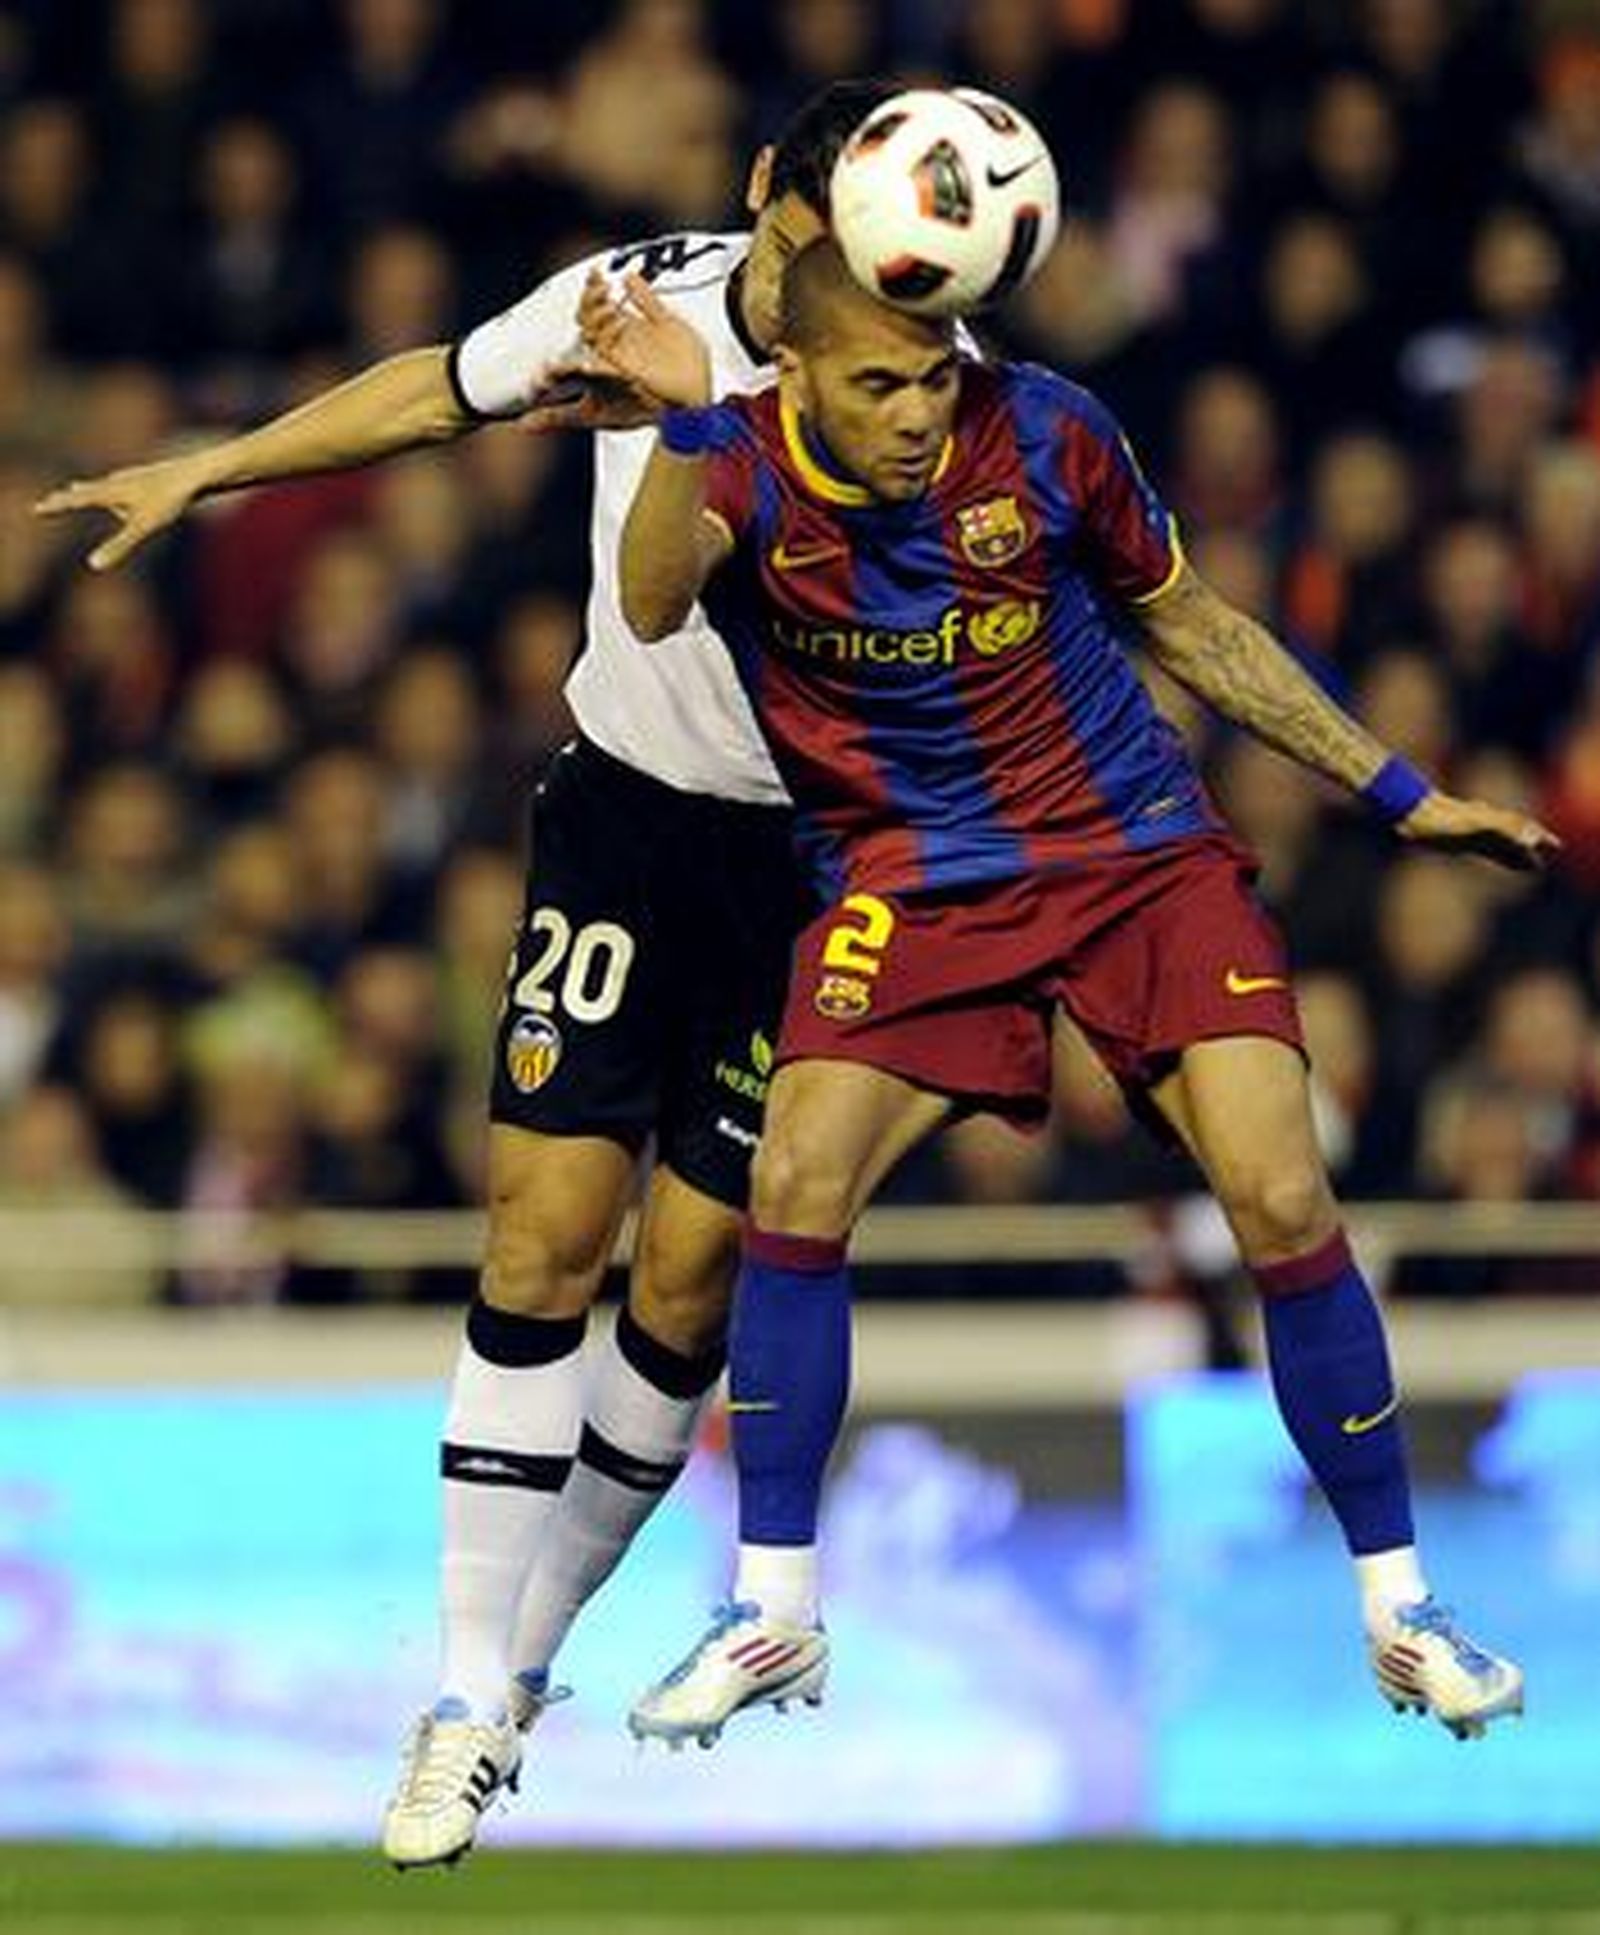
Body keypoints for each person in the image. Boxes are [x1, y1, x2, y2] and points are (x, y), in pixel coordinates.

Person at [34, 80, 894, 1870]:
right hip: (627, 828)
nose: (837, 283)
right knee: (538, 1244)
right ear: (768, 206)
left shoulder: (906, 394)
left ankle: (521, 1672)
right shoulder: (636, 285)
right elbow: (435, 386)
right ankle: (459, 1700)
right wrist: (213, 463)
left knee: (690, 1276)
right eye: (815, 243)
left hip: (813, 861)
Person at [594, 236, 1554, 1749]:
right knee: (795, 1171)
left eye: (931, 376)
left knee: (1287, 1198)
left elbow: (1198, 628)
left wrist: (1400, 793)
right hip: (912, 876)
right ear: (797, 377)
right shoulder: (740, 456)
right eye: (878, 385)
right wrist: (686, 419)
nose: (916, 412)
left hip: (1137, 857)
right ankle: (772, 1607)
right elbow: (651, 604)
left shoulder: (1048, 429)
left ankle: (1403, 1606)